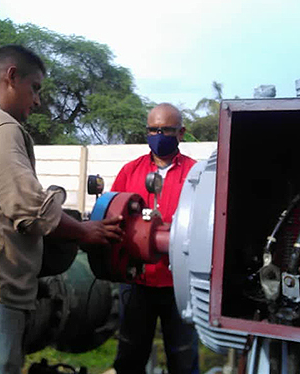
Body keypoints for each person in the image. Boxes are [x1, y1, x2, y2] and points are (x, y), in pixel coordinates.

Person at [0, 45, 123, 374]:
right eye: (35, 88)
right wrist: (85, 231)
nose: (37, 100)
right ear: (12, 77)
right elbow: (30, 212)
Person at [111, 103, 199, 374]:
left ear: (181, 132)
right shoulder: (130, 171)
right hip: (137, 280)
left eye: (166, 130)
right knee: (130, 353)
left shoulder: (197, 175)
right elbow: (113, 214)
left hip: (180, 284)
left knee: (183, 357)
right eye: (153, 129)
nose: (158, 135)